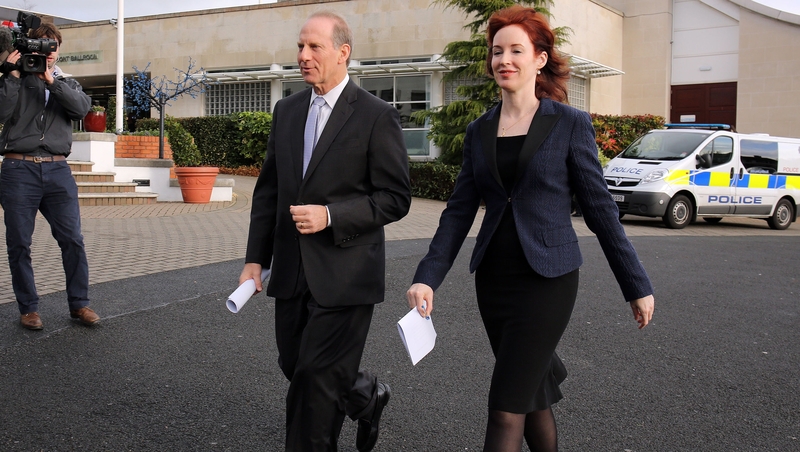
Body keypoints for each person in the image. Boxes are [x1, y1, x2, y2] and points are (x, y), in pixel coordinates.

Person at [406, 6, 655, 452]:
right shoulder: (479, 131)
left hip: (548, 281)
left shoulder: (569, 123)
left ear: (539, 59)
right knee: (531, 396)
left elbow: (600, 210)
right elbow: (458, 211)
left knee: (505, 407)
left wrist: (635, 284)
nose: (504, 60)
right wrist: (428, 276)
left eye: (516, 50)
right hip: (495, 281)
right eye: (497, 51)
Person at [239, 11, 411, 452]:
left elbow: (395, 198)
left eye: (314, 47)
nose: (303, 55)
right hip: (293, 273)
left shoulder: (377, 115)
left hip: (347, 275)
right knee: (296, 365)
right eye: (300, 46)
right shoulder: (287, 110)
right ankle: (365, 396)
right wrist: (254, 261)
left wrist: (331, 215)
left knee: (314, 389)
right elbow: (269, 192)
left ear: (343, 52)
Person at [0, 21, 99, 330]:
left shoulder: (66, 82)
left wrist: (51, 81)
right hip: (19, 169)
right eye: (40, 46)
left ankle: (79, 304)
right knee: (19, 243)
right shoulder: (13, 79)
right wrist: (12, 74)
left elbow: (81, 109)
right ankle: (28, 308)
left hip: (58, 170)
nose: (47, 52)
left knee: (72, 239)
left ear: (58, 49)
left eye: (52, 46)